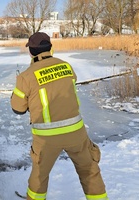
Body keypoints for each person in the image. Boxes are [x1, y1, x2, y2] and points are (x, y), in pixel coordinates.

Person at [11, 32, 109, 200]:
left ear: (32, 51)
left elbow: (18, 109)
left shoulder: (26, 76)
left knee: (39, 177)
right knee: (90, 171)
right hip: (76, 133)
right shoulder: (66, 66)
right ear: (50, 48)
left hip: (46, 139)